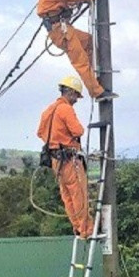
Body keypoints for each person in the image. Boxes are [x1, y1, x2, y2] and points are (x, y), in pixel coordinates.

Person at [38, 0, 118, 101]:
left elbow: (66, 0)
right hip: (60, 31)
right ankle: (97, 92)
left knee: (88, 41)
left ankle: (93, 79)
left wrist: (69, 5)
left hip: (62, 28)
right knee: (80, 61)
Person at [37, 76, 94, 238]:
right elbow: (78, 131)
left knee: (67, 195)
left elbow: (40, 132)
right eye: (76, 95)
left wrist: (56, 140)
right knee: (78, 194)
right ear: (69, 92)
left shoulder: (49, 109)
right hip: (69, 160)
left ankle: (77, 227)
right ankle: (86, 229)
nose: (76, 99)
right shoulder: (65, 109)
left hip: (56, 160)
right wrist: (65, 140)